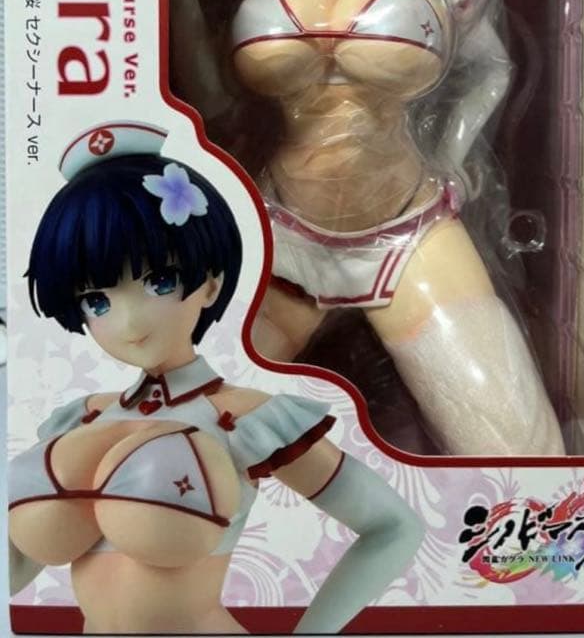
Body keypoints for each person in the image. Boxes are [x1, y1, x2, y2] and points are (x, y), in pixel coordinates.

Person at [168, 0, 565, 457]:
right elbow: (217, 101)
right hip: (282, 233)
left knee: (518, 453)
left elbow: (492, 68)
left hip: (408, 230)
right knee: (178, 440)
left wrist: (454, 153)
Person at [8, 122, 424, 635]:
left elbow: (393, 526)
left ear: (209, 283)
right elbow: (18, 565)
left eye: (159, 281)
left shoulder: (242, 418)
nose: (129, 323)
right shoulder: (82, 418)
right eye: (97, 300)